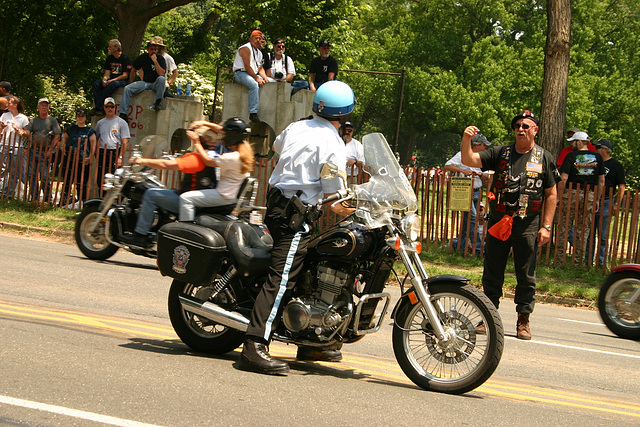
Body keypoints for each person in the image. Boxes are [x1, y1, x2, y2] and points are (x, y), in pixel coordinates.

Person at [238, 80, 355, 375]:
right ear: (345, 113)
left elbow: (278, 149)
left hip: (280, 205)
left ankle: (312, 341)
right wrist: (358, 207)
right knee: (283, 277)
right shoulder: (334, 143)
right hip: (294, 216)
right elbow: (334, 196)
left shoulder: (296, 127)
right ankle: (253, 346)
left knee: (313, 267)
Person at [461, 110, 559, 340]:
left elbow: (551, 193)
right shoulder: (500, 153)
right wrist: (466, 139)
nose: (521, 129)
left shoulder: (544, 157)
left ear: (535, 130)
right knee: (492, 271)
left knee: (526, 273)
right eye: (517, 125)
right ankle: (488, 317)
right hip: (499, 221)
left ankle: (523, 320)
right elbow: (469, 160)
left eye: (526, 125)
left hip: (528, 224)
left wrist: (546, 226)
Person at [121, 118, 239, 248]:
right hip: (206, 201)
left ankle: (140, 235)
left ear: (199, 140)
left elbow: (167, 164)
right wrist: (204, 123)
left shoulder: (198, 158)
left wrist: (141, 160)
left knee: (150, 194)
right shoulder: (217, 154)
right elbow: (228, 132)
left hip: (189, 200)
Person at [179, 118, 254, 221]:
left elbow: (208, 161)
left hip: (223, 195)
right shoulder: (245, 150)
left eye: (225, 134)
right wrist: (203, 123)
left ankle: (186, 230)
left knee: (186, 198)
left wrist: (196, 142)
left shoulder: (232, 157)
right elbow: (223, 130)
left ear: (231, 136)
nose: (221, 136)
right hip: (230, 194)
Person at [557, 131, 605, 266]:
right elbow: (601, 181)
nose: (572, 144)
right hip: (589, 194)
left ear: (579, 141)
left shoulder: (571, 155)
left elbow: (564, 177)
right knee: (583, 228)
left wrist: (559, 197)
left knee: (564, 226)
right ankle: (578, 261)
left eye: (573, 141)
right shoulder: (597, 157)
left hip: (571, 193)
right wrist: (596, 199)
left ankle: (559, 260)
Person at [445, 133, 491, 254]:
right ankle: (477, 247)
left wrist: (480, 174)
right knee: (472, 218)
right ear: (477, 145)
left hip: (477, 192)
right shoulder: (461, 155)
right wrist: (462, 170)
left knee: (469, 220)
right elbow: (447, 165)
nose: (485, 147)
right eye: (483, 145)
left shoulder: (482, 158)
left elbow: (488, 176)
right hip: (465, 191)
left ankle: (461, 245)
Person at [591, 138, 625, 266]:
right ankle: (588, 260)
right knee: (589, 233)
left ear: (605, 149)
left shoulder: (616, 165)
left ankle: (601, 262)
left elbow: (621, 186)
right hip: (592, 199)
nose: (595, 150)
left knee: (603, 235)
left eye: (598, 148)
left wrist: (617, 203)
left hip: (606, 201)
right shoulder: (593, 163)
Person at [21, 98, 62, 202]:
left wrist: (50, 150)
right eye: (42, 105)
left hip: (45, 151)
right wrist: (21, 131)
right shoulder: (34, 120)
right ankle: (34, 198)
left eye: (46, 105)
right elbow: (27, 132)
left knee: (44, 176)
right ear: (38, 107)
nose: (44, 107)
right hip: (33, 150)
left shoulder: (52, 120)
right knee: (32, 175)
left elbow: (57, 136)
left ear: (48, 107)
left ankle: (48, 199)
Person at [119, 40, 167, 122]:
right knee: (127, 88)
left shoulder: (160, 58)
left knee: (161, 79)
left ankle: (158, 102)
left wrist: (155, 61)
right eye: (152, 49)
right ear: (147, 49)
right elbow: (133, 70)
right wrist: (131, 82)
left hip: (156, 83)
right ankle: (123, 113)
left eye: (155, 49)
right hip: (145, 83)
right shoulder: (143, 57)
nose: (154, 51)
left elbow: (162, 73)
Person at [59, 108, 97, 206]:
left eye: (82, 116)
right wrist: (63, 146)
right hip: (70, 158)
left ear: (85, 117)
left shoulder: (90, 131)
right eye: (79, 116)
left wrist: (90, 157)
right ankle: (64, 201)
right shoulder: (71, 129)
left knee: (82, 182)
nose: (81, 118)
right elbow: (65, 138)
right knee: (67, 180)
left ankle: (82, 202)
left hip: (83, 159)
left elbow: (93, 144)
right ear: (76, 117)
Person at [232, 30, 271, 123]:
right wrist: (257, 78)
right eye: (256, 38)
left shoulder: (259, 52)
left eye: (260, 39)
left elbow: (260, 68)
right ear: (251, 38)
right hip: (241, 73)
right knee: (254, 85)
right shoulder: (246, 48)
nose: (258, 40)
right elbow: (247, 66)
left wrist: (265, 78)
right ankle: (253, 113)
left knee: (271, 81)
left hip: (252, 73)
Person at [95, 97, 130, 194]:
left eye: (112, 106)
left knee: (115, 179)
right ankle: (102, 200)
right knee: (101, 179)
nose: (110, 109)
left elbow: (125, 141)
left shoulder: (121, 122)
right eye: (107, 106)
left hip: (115, 152)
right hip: (103, 152)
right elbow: (95, 138)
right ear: (104, 108)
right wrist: (96, 153)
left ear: (115, 108)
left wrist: (120, 157)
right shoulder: (100, 123)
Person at [91, 39, 133, 117]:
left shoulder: (125, 58)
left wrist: (111, 81)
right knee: (96, 84)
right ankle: (99, 107)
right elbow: (107, 73)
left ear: (116, 48)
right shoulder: (109, 58)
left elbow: (125, 75)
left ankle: (99, 107)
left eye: (110, 47)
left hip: (122, 80)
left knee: (112, 85)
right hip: (111, 79)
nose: (108, 48)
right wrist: (104, 80)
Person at [0, 96, 29, 199]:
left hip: (17, 146)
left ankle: (10, 193)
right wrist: (1, 127)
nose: (7, 105)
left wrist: (17, 129)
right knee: (2, 169)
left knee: (14, 170)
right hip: (4, 144)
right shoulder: (4, 115)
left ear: (15, 105)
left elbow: (27, 133)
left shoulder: (23, 118)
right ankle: (1, 192)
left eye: (10, 103)